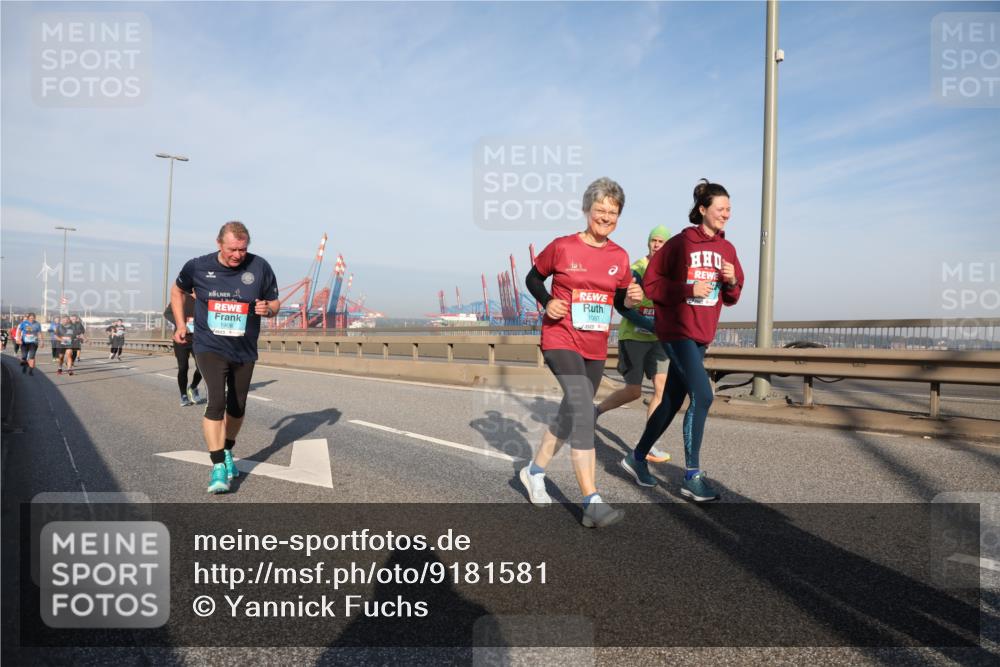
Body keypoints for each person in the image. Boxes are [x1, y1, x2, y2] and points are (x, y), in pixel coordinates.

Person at [519, 177, 643, 528]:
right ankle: (592, 500)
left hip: (595, 343)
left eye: (613, 212)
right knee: (583, 408)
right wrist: (547, 302)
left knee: (570, 414)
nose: (606, 216)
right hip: (560, 337)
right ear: (587, 209)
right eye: (600, 209)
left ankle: (534, 472)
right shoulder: (562, 246)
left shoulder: (620, 256)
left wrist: (630, 301)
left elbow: (620, 300)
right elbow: (532, 278)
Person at [622, 179, 744, 502]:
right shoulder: (680, 244)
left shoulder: (727, 249)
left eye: (729, 209)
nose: (726, 215)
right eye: (721, 209)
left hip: (701, 335)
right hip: (676, 331)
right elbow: (651, 283)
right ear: (703, 210)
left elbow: (731, 297)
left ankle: (636, 457)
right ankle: (692, 476)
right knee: (702, 395)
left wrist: (731, 281)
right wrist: (688, 290)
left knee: (672, 402)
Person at [172, 221, 279, 494]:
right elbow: (177, 290)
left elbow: (275, 303)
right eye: (233, 249)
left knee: (237, 406)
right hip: (210, 345)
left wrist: (268, 309)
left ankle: (228, 449)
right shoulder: (197, 266)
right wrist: (181, 324)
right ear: (219, 243)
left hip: (244, 349)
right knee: (216, 401)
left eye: (243, 250)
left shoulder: (259, 267)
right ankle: (218, 465)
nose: (238, 255)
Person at [595, 225, 672, 464]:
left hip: (658, 340)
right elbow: (623, 307)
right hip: (635, 337)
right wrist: (650, 325)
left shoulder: (670, 272)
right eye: (654, 240)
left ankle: (649, 444)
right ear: (648, 243)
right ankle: (595, 412)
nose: (657, 244)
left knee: (661, 390)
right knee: (634, 391)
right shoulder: (637, 269)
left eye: (661, 241)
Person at [164, 295, 205, 407]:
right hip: (181, 339)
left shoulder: (204, 295)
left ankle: (193, 387)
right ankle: (183, 395)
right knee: (183, 368)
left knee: (202, 367)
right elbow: (167, 313)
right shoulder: (180, 296)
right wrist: (181, 324)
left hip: (199, 339)